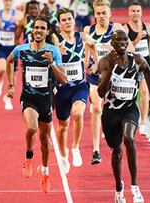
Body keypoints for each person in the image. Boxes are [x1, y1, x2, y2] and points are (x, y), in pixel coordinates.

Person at [6, 16, 67, 193]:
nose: (39, 30)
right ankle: (28, 156)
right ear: (33, 31)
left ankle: (45, 173)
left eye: (43, 28)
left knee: (45, 141)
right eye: (36, 27)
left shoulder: (53, 51)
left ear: (47, 32)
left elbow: (63, 80)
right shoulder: (21, 50)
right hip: (29, 98)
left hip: (47, 100)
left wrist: (51, 64)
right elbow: (10, 61)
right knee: (32, 128)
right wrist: (11, 85)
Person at [97, 30, 150, 203]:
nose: (122, 43)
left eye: (124, 40)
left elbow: (148, 71)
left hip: (129, 109)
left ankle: (135, 187)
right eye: (118, 40)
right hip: (111, 112)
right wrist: (112, 71)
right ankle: (118, 187)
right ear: (112, 43)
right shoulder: (105, 61)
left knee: (129, 139)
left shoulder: (136, 60)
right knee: (117, 150)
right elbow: (100, 93)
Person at [83, 0, 134, 165]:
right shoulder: (88, 30)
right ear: (94, 14)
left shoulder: (117, 28)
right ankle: (96, 151)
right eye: (98, 13)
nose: (101, 16)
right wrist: (88, 65)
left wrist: (116, 52)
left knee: (113, 113)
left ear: (110, 13)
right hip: (95, 77)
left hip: (114, 78)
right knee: (96, 108)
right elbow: (86, 49)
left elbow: (131, 50)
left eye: (104, 13)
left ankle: (114, 142)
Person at [52, 7, 95, 173]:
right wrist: (57, 53)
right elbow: (50, 56)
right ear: (60, 23)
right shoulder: (56, 40)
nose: (67, 22)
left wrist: (96, 63)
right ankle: (63, 154)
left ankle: (75, 148)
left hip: (79, 85)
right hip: (62, 89)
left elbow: (93, 46)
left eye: (69, 19)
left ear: (74, 20)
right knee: (63, 126)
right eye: (64, 20)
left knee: (78, 114)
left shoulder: (82, 36)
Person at [124, 1, 150, 135]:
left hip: (145, 64)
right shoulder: (126, 28)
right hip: (132, 64)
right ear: (129, 13)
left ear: (141, 12)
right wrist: (137, 38)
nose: (136, 13)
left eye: (138, 11)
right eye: (133, 11)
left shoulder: (145, 25)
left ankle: (143, 122)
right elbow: (127, 48)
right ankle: (123, 120)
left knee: (145, 93)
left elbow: (149, 37)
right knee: (129, 95)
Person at [0, 0, 23, 110]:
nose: (8, 2)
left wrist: (17, 24)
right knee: (1, 69)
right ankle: (0, 81)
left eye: (10, 1)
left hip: (13, 49)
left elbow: (22, 29)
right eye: (6, 0)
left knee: (13, 77)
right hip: (1, 48)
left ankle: (8, 98)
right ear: (3, 2)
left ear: (13, 2)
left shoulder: (18, 14)